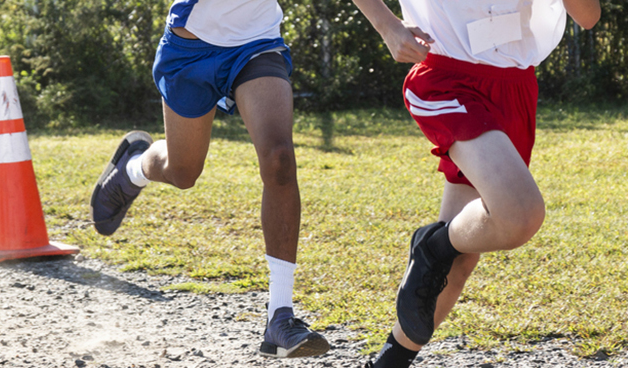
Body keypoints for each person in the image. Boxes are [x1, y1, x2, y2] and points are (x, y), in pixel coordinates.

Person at [350, 0, 601, 366]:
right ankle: (431, 246)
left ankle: (387, 363)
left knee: (460, 261)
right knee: (519, 214)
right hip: (447, 75)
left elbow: (588, 17)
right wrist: (387, 25)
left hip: (514, 87)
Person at [89, 0, 330, 359]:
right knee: (182, 172)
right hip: (190, 47)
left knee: (279, 159)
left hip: (257, 43)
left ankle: (280, 317)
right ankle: (133, 168)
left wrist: (388, 25)